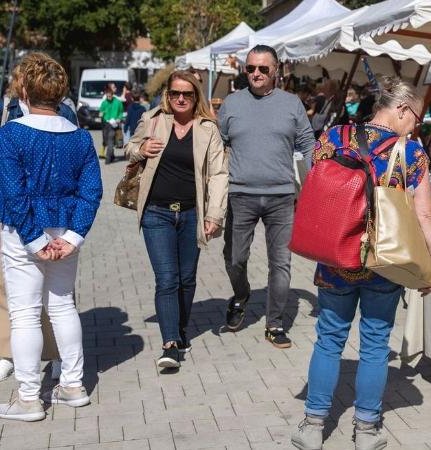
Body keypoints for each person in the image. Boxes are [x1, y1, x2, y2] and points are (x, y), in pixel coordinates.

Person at [291, 77, 431, 450]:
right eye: (416, 119)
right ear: (402, 109)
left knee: (329, 340)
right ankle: (367, 430)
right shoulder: (411, 153)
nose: (415, 126)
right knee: (375, 345)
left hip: (335, 256)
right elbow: (425, 215)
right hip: (383, 260)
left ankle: (312, 426)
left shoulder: (334, 136)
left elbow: (319, 184)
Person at [0, 52, 102, 421]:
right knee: (63, 306)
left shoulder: (12, 132)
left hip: (24, 233)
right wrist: (73, 236)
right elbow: (90, 192)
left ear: (25, 92)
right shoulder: (80, 138)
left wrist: (35, 240)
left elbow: (14, 194)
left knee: (25, 315)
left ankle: (30, 397)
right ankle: (72, 385)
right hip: (63, 230)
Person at [0, 56, 79, 384]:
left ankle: (56, 356)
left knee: (57, 295)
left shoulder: (65, 110)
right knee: (6, 287)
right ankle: (8, 353)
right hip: (7, 212)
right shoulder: (4, 108)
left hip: (54, 214)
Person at [125, 71, 228, 368]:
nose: (180, 99)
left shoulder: (207, 129)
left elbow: (220, 174)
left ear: (196, 97)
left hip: (192, 212)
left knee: (187, 279)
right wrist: (141, 149)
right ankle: (170, 343)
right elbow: (129, 148)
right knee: (167, 279)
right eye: (175, 94)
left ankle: (179, 329)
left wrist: (214, 215)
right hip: (156, 213)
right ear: (167, 96)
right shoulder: (153, 119)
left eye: (187, 94)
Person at [217, 44, 315, 348]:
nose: (256, 74)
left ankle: (274, 323)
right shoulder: (232, 104)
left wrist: (314, 186)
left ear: (276, 70)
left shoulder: (291, 103)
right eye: (250, 68)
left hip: (282, 197)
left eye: (262, 69)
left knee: (281, 263)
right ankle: (242, 294)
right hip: (240, 195)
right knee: (235, 258)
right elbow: (214, 146)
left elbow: (308, 143)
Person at [99, 87, 124, 164]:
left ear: (113, 95)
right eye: (107, 96)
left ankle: (108, 158)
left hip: (114, 125)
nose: (108, 98)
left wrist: (119, 118)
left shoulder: (118, 102)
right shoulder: (104, 103)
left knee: (110, 140)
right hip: (105, 124)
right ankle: (112, 155)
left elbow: (121, 112)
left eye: (110, 96)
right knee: (106, 141)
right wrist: (101, 114)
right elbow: (101, 112)